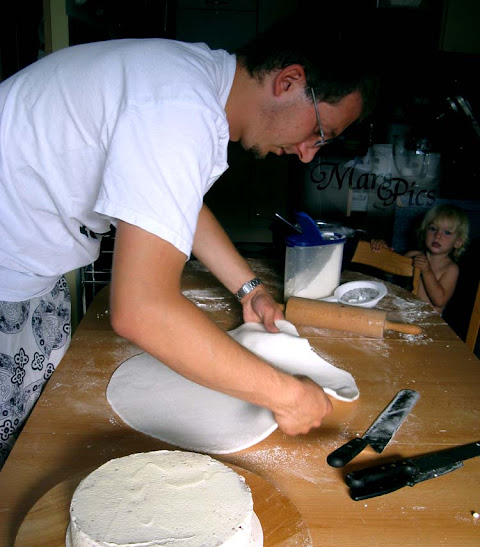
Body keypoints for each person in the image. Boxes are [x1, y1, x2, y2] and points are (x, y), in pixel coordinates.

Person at [0, 17, 378, 468]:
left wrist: (249, 289)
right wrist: (288, 395)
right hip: (7, 278)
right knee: (19, 463)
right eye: (320, 131)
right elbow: (141, 310)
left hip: (26, 271)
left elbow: (170, 204)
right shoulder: (178, 112)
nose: (308, 152)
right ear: (289, 82)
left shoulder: (189, 82)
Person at [370, 204, 469, 314]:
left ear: (458, 242)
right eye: (433, 229)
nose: (437, 235)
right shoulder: (413, 256)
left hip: (429, 319)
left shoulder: (451, 268)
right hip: (404, 310)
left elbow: (439, 301)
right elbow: (389, 272)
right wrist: (383, 250)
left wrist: (427, 271)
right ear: (423, 232)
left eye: (447, 232)